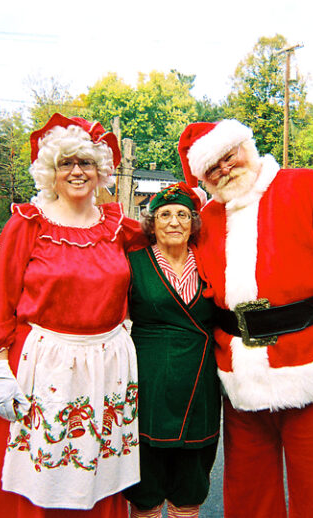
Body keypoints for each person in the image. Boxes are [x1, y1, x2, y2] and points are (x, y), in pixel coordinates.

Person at [177, 119, 313, 518]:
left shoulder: (309, 187)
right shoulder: (207, 219)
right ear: (203, 177)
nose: (224, 168)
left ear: (247, 146)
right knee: (248, 494)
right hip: (240, 379)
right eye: (212, 167)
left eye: (229, 156)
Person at [0, 113, 148, 518]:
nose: (76, 171)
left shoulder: (120, 228)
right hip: (41, 366)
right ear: (50, 171)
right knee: (34, 478)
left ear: (101, 169)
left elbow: (171, 247)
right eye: (65, 163)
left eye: (85, 162)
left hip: (106, 367)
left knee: (97, 474)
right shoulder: (28, 225)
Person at [122, 183, 220, 518]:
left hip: (200, 383)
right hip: (148, 384)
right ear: (151, 224)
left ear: (194, 222)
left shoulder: (212, 263)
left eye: (182, 214)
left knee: (190, 484)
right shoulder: (132, 263)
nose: (174, 222)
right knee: (145, 489)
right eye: (164, 215)